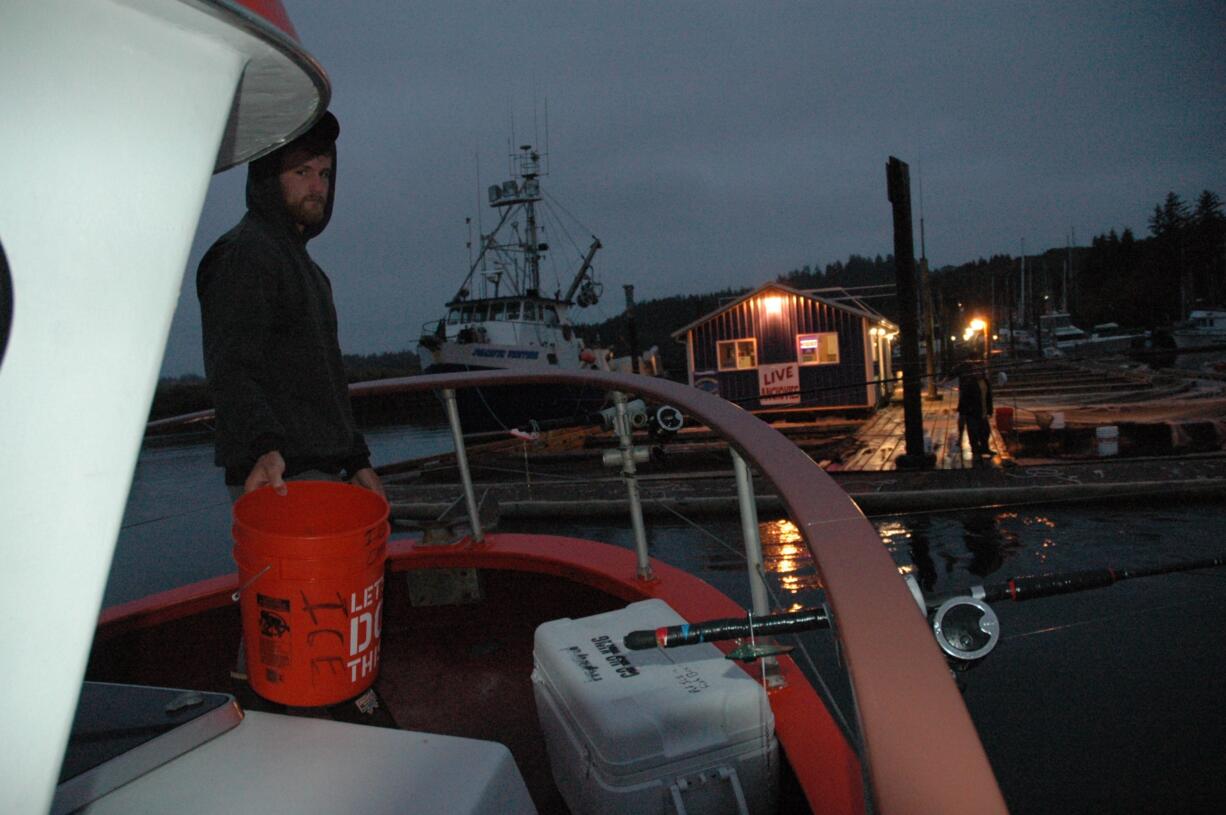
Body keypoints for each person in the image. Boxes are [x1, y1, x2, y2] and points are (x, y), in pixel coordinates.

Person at [197, 111, 383, 500]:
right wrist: (263, 448)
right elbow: (231, 366)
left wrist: (356, 458)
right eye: (302, 172)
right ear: (268, 177)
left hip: (322, 470)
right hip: (278, 474)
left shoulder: (309, 270)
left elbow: (325, 377)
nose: (317, 186)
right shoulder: (243, 254)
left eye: (325, 174)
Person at [957, 361, 995, 458]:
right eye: (975, 371)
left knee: (985, 431)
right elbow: (964, 398)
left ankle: (985, 448)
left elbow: (988, 397)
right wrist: (964, 411)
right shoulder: (969, 383)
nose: (977, 373)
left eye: (979, 370)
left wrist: (990, 410)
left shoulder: (985, 381)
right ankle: (975, 450)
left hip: (983, 411)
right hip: (972, 412)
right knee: (973, 432)